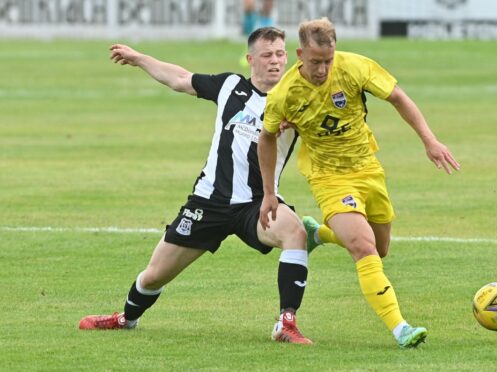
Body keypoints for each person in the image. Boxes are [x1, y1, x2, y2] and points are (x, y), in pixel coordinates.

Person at [78, 27, 321, 344]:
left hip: (259, 203)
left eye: (280, 54)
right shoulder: (229, 86)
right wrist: (139, 59)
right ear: (251, 59)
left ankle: (286, 324)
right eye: (267, 55)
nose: (275, 61)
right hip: (208, 202)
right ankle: (127, 318)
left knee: (295, 233)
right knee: (154, 275)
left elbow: (325, 131)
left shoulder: (298, 98)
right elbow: (179, 78)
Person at [258, 18, 460, 348]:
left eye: (328, 60)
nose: (323, 69)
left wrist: (430, 140)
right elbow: (265, 138)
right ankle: (401, 329)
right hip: (328, 177)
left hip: (368, 168)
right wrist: (269, 193)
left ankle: (318, 234)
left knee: (380, 249)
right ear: (299, 55)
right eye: (315, 62)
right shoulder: (285, 93)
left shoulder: (354, 67)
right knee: (364, 248)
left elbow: (397, 97)